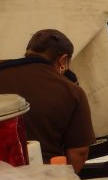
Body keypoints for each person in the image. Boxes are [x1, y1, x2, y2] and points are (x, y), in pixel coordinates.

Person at [0, 29, 95, 172]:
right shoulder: (72, 91)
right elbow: (79, 152)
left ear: (28, 51)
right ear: (62, 60)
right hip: (43, 177)